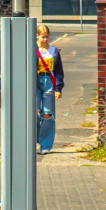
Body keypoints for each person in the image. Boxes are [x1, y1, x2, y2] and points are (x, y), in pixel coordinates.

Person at [35, 24, 65, 154]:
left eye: (47, 37)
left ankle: (45, 145)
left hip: (49, 83)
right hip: (34, 82)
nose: (45, 40)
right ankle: (32, 140)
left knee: (47, 114)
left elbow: (58, 71)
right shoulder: (32, 50)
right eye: (43, 37)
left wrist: (58, 88)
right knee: (33, 113)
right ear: (37, 36)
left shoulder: (54, 52)